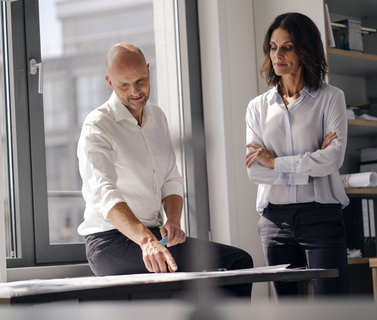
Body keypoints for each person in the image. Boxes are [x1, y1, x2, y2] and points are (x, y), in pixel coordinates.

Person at [77, 42, 253, 298]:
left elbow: (171, 179)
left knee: (239, 262)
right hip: (110, 242)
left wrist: (172, 220)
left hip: (153, 235)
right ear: (109, 82)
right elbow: (103, 192)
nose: (135, 91)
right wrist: (145, 241)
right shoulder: (98, 125)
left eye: (141, 80)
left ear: (149, 70)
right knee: (184, 282)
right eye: (124, 85)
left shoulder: (157, 117)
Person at [245, 12, 349, 298]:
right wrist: (312, 162)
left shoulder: (331, 98)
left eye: (287, 47)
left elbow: (334, 159)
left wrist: (275, 161)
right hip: (274, 222)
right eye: (273, 47)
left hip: (322, 217)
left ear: (305, 50)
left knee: (334, 306)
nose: (278, 54)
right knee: (290, 311)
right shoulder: (257, 107)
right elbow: (255, 171)